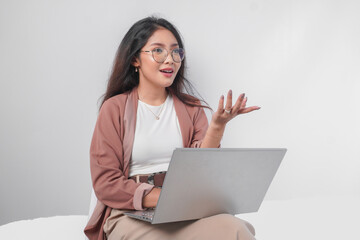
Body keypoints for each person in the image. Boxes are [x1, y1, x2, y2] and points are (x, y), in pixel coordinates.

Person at [84, 16, 260, 240]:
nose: (170, 59)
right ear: (135, 59)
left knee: (236, 228)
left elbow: (202, 171)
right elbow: (106, 182)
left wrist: (217, 126)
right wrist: (166, 197)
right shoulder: (114, 109)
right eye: (158, 51)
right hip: (132, 211)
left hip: (185, 209)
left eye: (176, 52)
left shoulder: (191, 108)